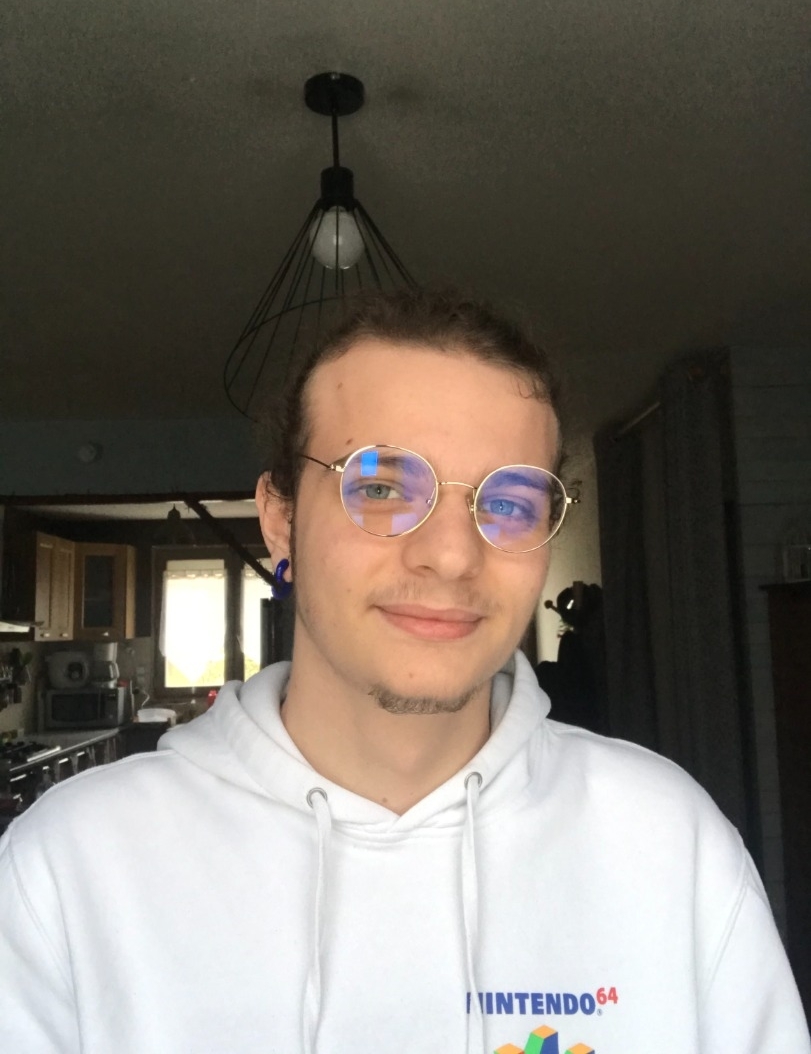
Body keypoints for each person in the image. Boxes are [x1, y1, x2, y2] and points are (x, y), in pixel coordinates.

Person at [0, 289, 807, 1054]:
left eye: (509, 501)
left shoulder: (667, 842)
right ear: (280, 520)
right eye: (381, 486)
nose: (452, 555)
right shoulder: (71, 867)